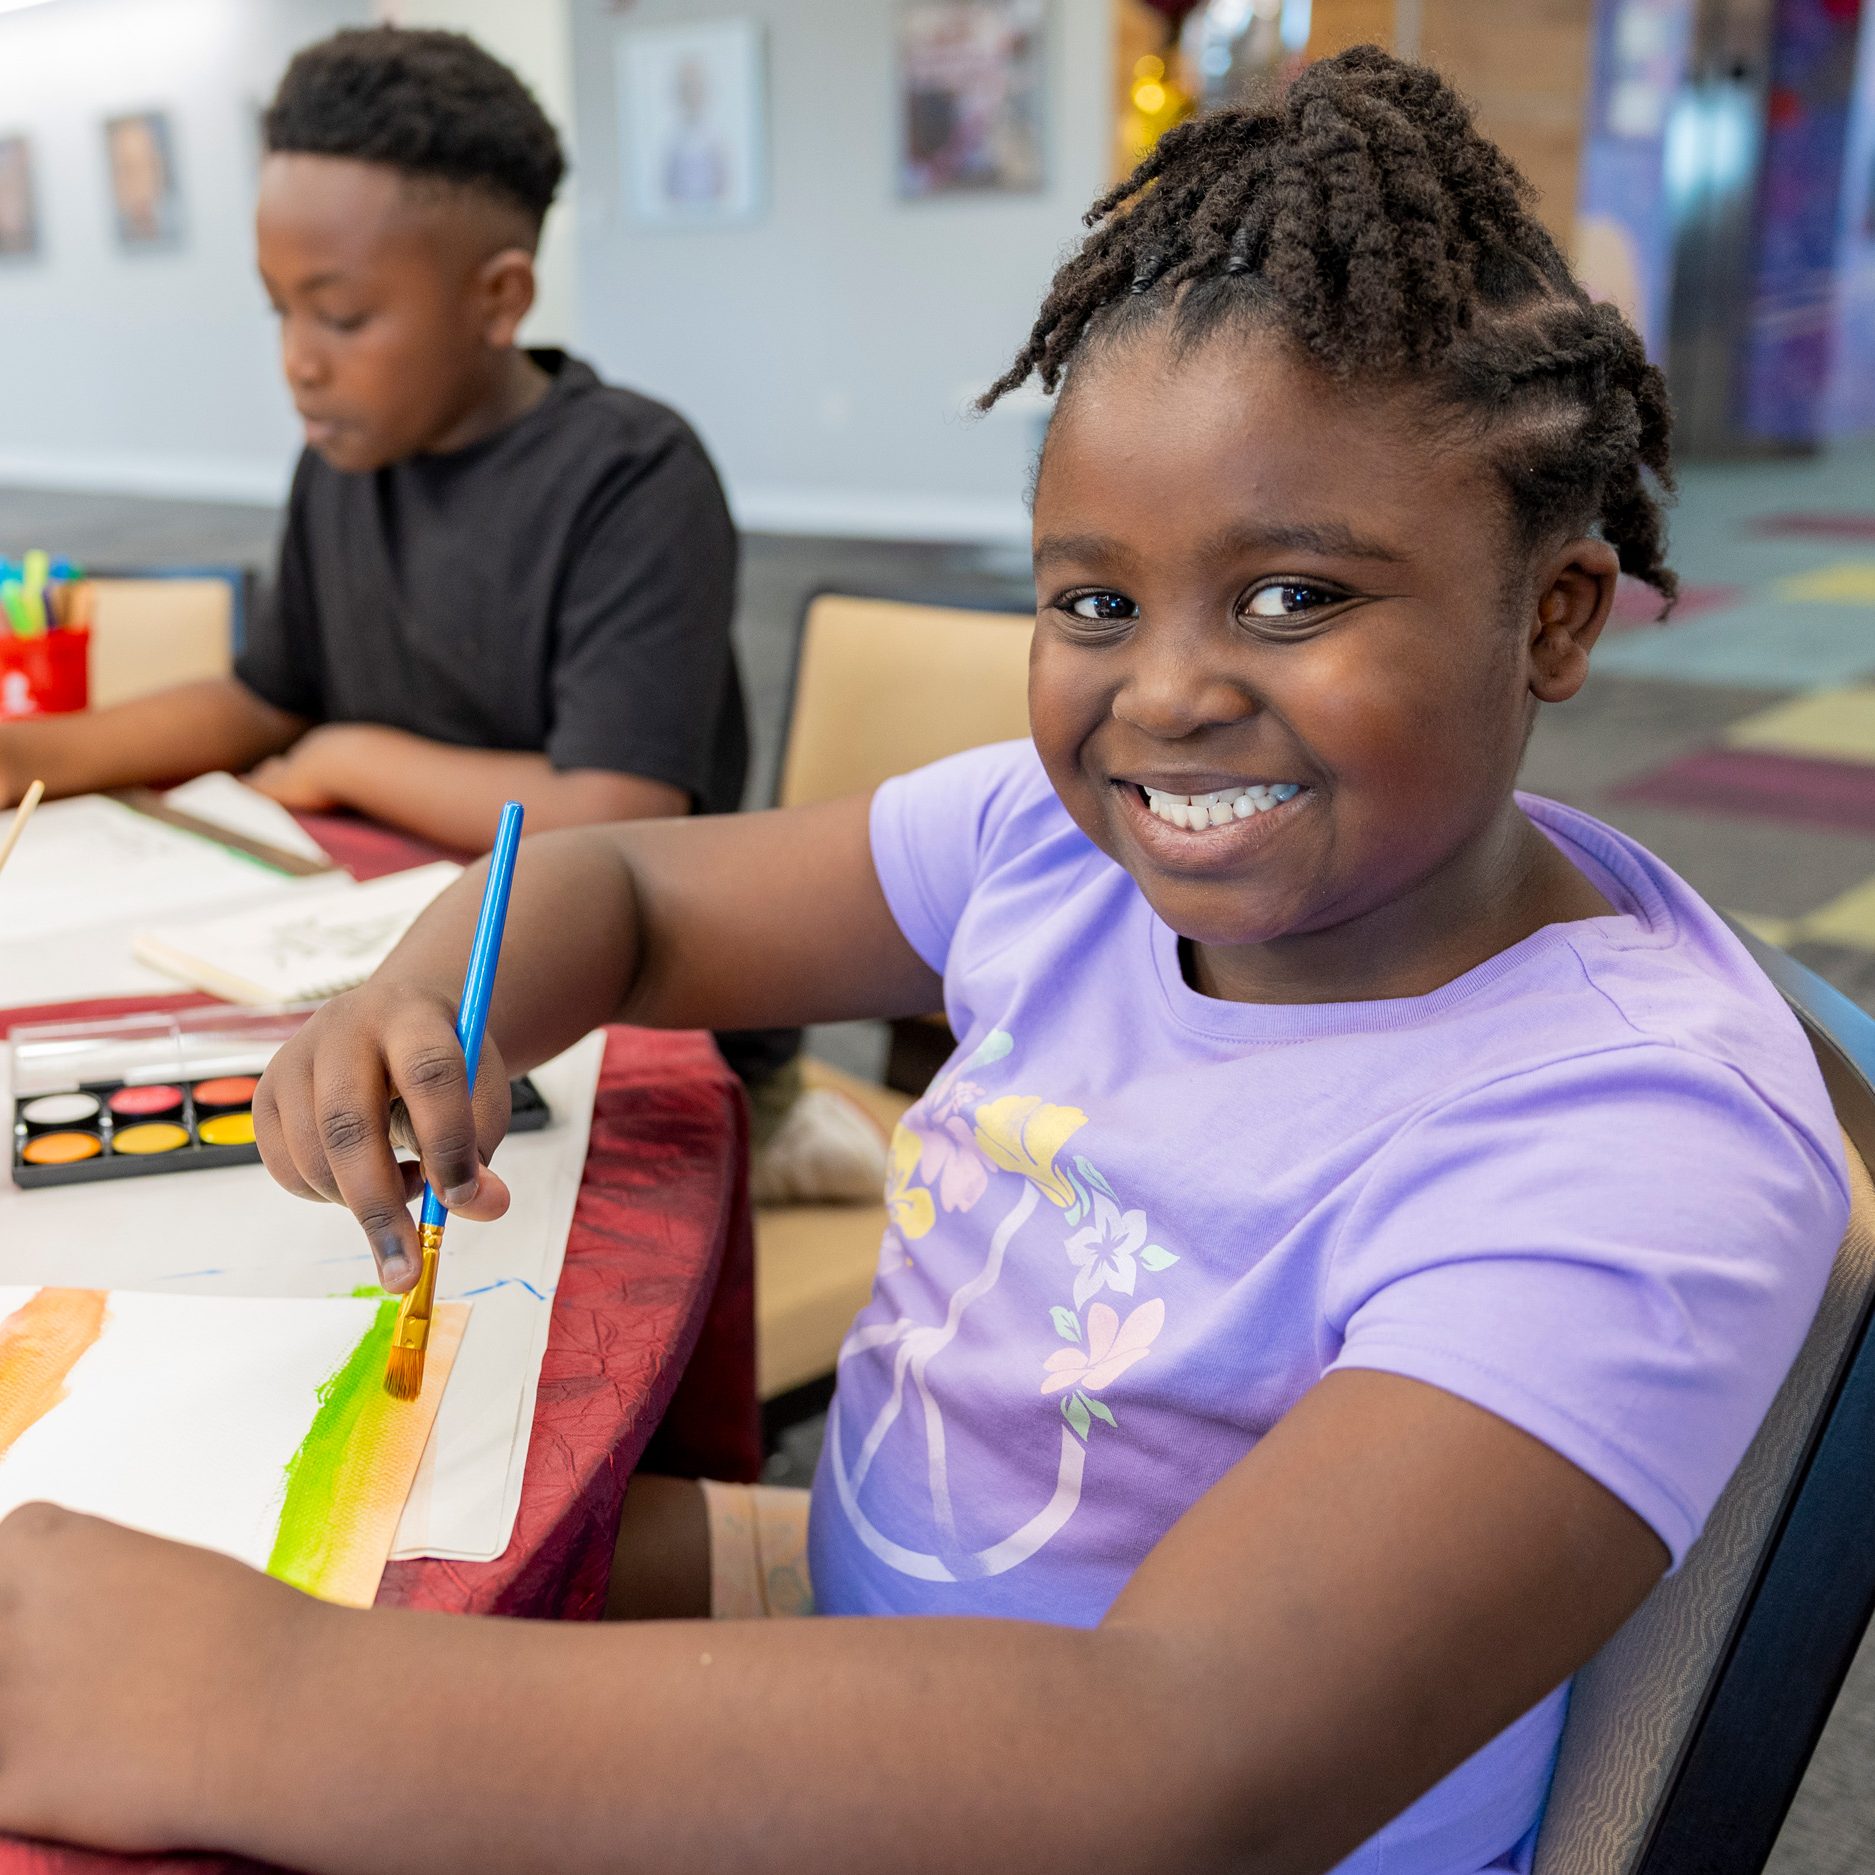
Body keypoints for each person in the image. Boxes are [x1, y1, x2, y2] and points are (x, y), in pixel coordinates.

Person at [0, 50, 1846, 1875]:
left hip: (1112, 1787)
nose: (1171, 694)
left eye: (1296, 597)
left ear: (1557, 613)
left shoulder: (1639, 1133)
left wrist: (259, 1710)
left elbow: (1184, 1760)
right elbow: (631, 889)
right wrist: (427, 983)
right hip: (861, 1590)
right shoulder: (1055, 842)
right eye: (1092, 602)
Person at [0, 25, 872, 1194]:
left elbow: (608, 813)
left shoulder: (634, 476)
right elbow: (267, 695)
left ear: (498, 296)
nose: (299, 362)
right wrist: (29, 754)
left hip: (631, 1008)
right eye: (280, 313)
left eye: (343, 317)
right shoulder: (342, 463)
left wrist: (351, 756)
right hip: (391, 947)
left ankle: (785, 1134)